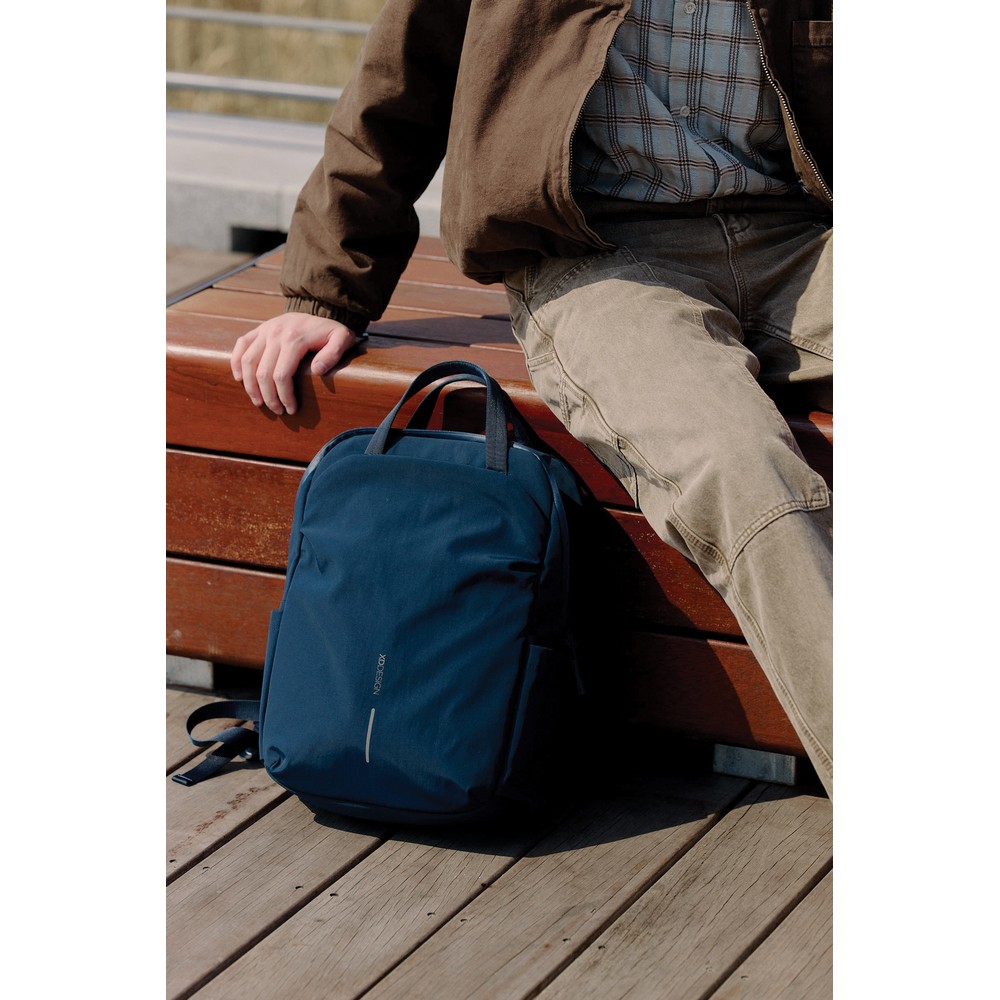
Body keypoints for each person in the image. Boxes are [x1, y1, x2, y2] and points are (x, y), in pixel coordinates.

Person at [231, 0, 834, 797]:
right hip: (600, 251)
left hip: (807, 234)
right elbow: (400, 77)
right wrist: (327, 288)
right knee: (740, 466)